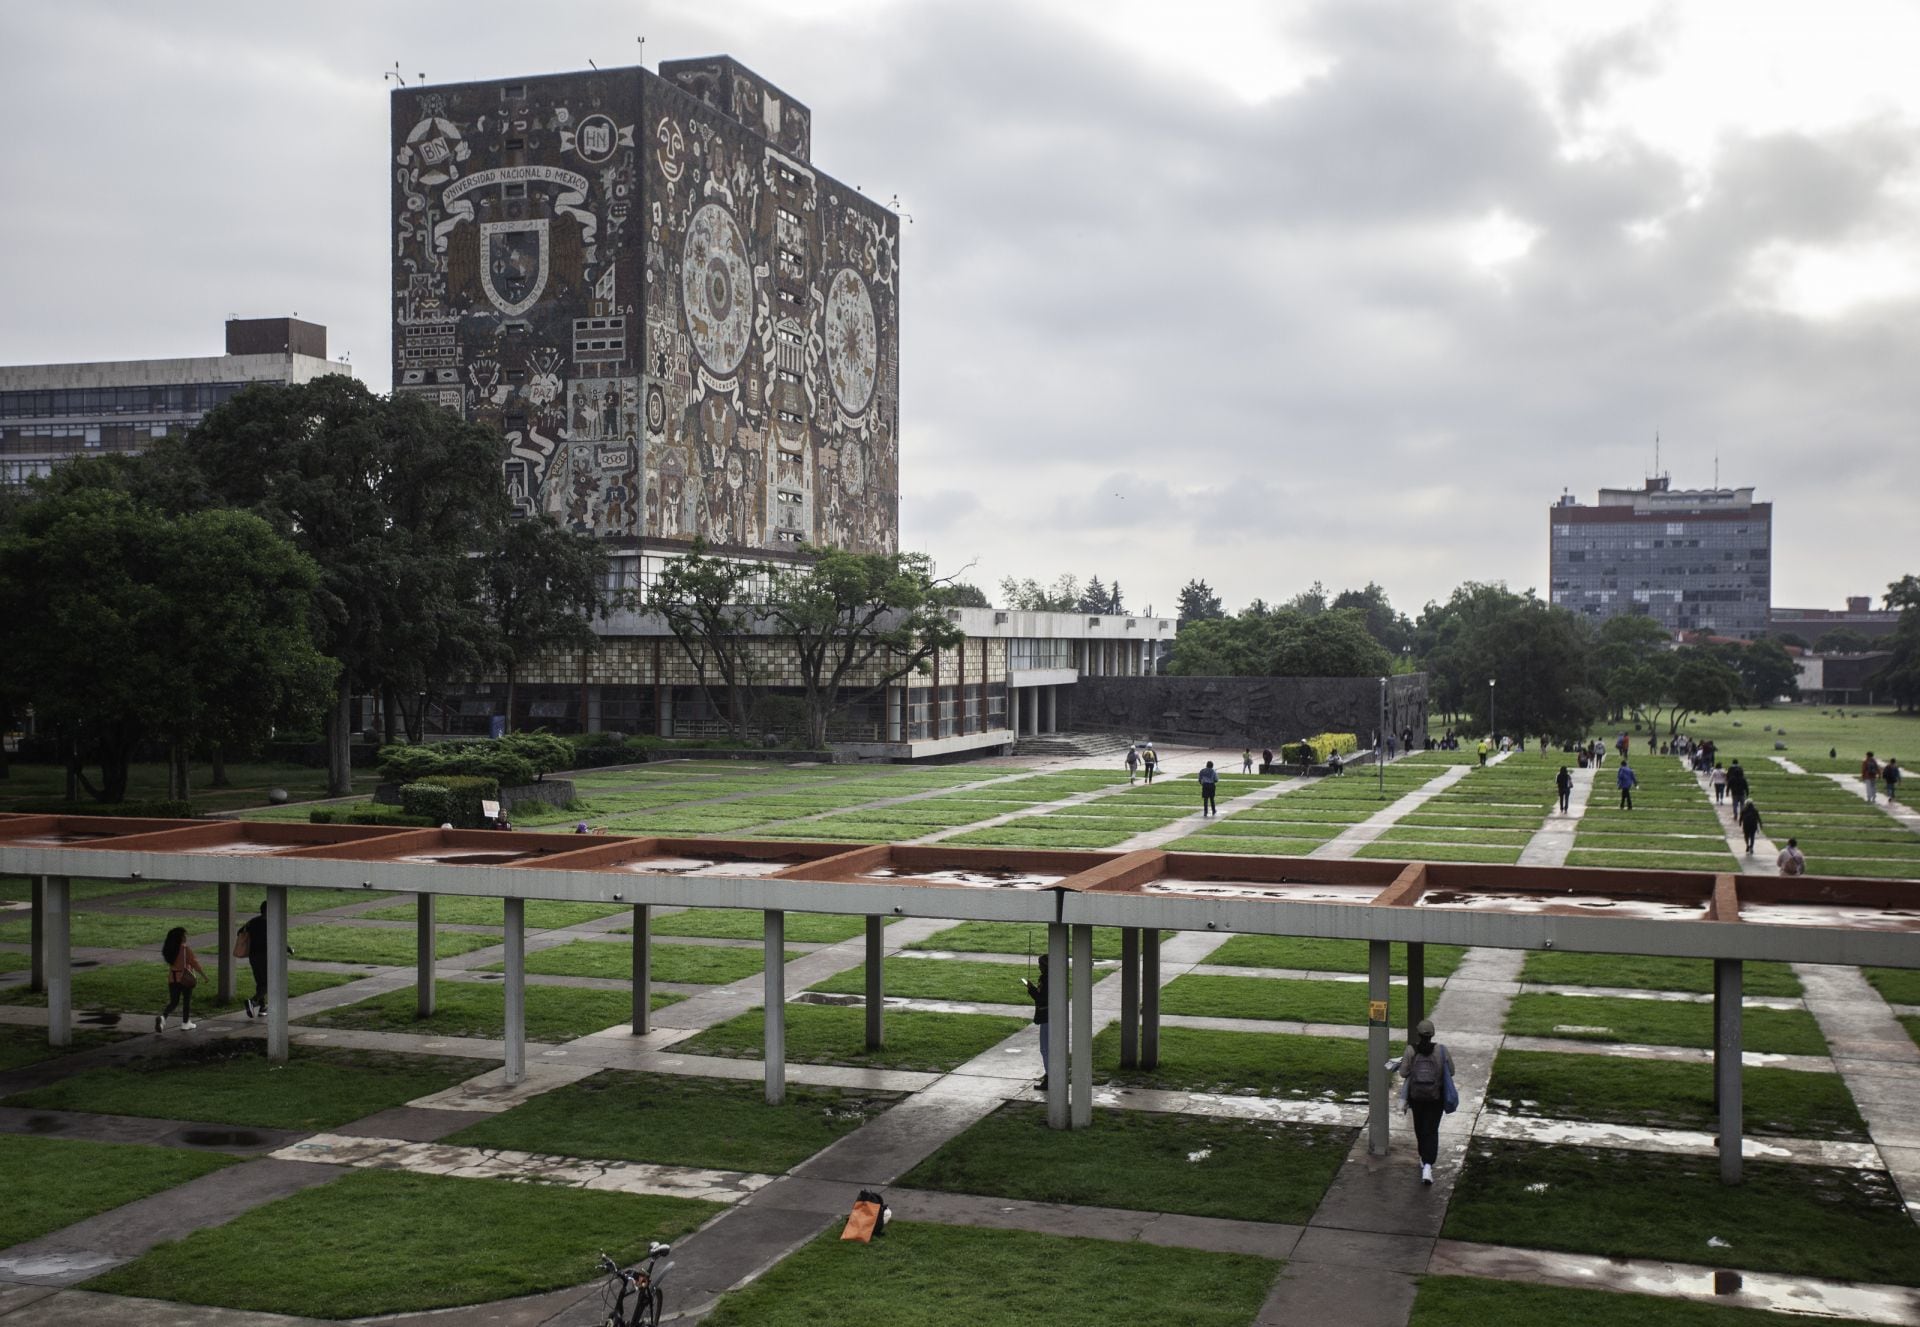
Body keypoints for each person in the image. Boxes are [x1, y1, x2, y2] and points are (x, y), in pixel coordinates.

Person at [1387, 1017, 1455, 1186]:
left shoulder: (1411, 1050)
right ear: (1433, 1034)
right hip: (1435, 1098)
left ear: (1418, 1034)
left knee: (1420, 1128)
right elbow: (1451, 1072)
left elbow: (1403, 1073)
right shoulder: (1441, 1050)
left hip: (1417, 1097)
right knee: (1431, 1130)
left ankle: (1423, 1158)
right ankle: (1428, 1165)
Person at [239, 901, 294, 1019]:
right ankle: (253, 1001)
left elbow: (240, 932)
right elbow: (278, 938)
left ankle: (262, 1008)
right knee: (270, 981)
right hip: (266, 956)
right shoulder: (271, 923)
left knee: (261, 981)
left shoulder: (252, 922)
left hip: (253, 956)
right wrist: (289, 949)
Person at [156, 926, 206, 1032]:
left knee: (174, 1002)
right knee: (186, 1001)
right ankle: (185, 1023)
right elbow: (194, 963)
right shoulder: (185, 949)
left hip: (172, 978)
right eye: (184, 935)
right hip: (185, 978)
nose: (186, 937)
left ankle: (163, 1018)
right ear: (180, 937)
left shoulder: (169, 950)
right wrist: (204, 975)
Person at [1022, 955, 1052, 1092]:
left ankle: (1050, 1076)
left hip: (1046, 1016)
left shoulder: (1045, 979)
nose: (1039, 967)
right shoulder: (1053, 977)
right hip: (1050, 1016)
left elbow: (1041, 998)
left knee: (1045, 1049)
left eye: (1040, 964)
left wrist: (1031, 988)